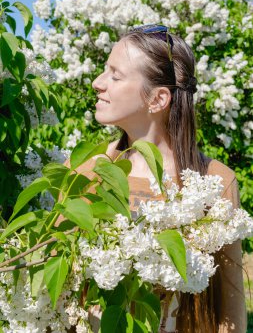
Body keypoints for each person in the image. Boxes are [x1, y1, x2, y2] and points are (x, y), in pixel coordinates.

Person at [79, 24, 247, 332]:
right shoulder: (86, 172)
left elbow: (230, 305)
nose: (97, 83)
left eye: (115, 75)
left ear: (158, 99)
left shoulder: (214, 182)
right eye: (104, 70)